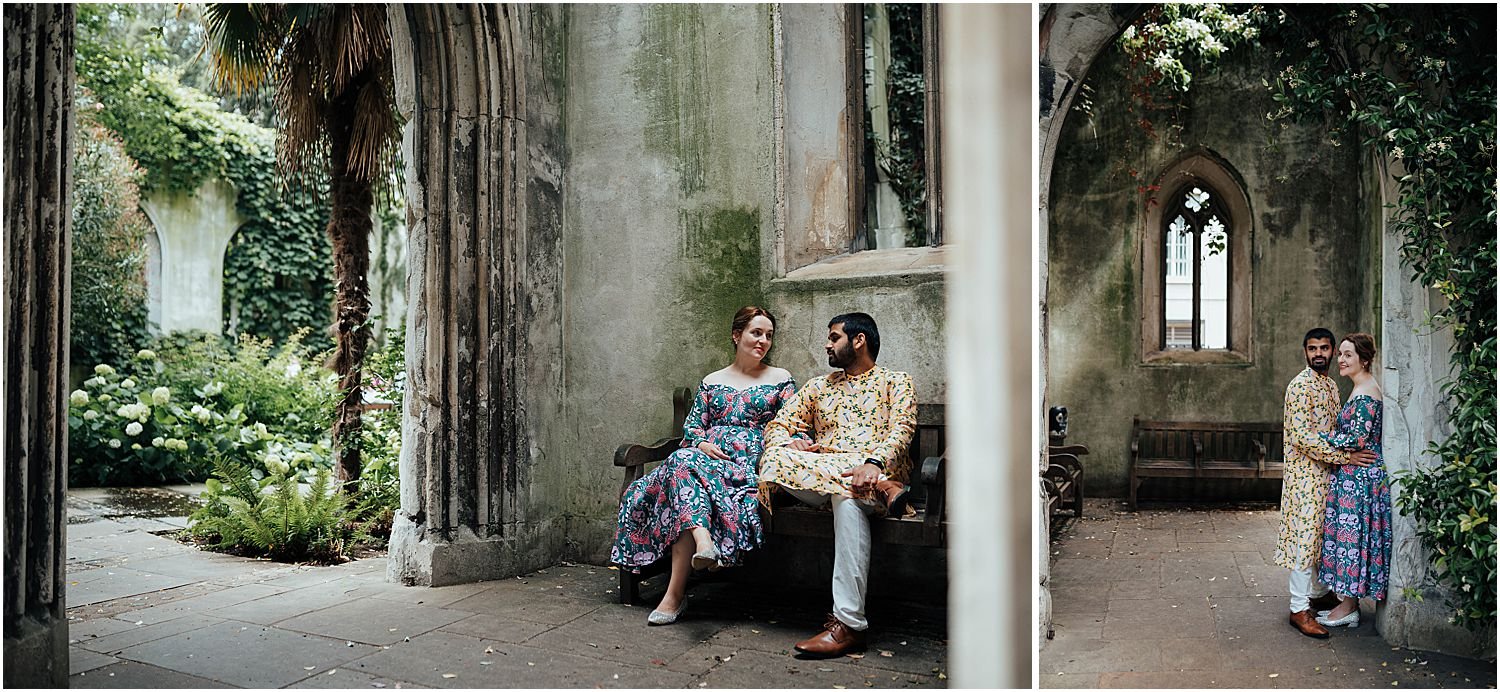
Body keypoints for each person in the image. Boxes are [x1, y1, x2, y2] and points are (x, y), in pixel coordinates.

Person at [610, 306, 801, 626]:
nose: (763, 341)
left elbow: (792, 424)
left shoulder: (780, 379)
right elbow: (693, 429)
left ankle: (675, 594)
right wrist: (700, 444)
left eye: (769, 335)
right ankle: (703, 546)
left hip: (743, 466)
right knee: (684, 463)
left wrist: (791, 444)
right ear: (736, 335)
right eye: (756, 332)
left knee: (683, 473)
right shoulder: (713, 381)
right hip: (702, 459)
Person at [758, 312, 916, 657]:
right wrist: (793, 440)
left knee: (846, 502)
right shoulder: (818, 386)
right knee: (775, 458)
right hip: (833, 479)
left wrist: (873, 464)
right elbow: (777, 426)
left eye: (834, 338)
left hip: (870, 471)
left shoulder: (895, 382)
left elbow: (902, 431)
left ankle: (848, 625)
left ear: (858, 340)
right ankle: (884, 488)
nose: (827, 345)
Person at [1273, 327, 1377, 639]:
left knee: (1323, 537)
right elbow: (1303, 437)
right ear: (1305, 352)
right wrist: (1346, 458)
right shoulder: (1300, 386)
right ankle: (1298, 608)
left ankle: (1323, 594)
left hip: (1328, 475)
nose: (1319, 353)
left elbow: (1334, 428)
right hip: (1305, 477)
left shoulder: (1331, 386)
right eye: (1313, 348)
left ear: (1331, 351)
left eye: (1325, 348)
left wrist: (1341, 460)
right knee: (1305, 541)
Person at [1314, 332, 1392, 629]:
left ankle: (1347, 608)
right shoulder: (1361, 387)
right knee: (1349, 541)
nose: (1341, 360)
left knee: (1352, 541)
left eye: (1348, 355)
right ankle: (1348, 604)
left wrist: (1320, 436)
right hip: (1354, 478)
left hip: (1360, 481)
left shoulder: (1366, 393)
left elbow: (1357, 439)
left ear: (1365, 359)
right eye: (1341, 354)